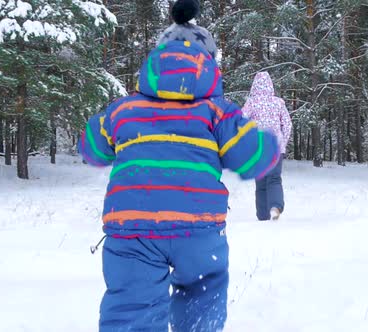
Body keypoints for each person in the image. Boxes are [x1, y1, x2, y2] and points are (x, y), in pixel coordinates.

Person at [78, 1, 280, 331]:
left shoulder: (125, 109)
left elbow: (91, 148)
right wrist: (269, 143)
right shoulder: (217, 112)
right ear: (209, 64)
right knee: (203, 293)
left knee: (132, 306)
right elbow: (252, 155)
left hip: (133, 232)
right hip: (197, 229)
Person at [242, 72, 292, 221]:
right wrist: (283, 141)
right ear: (270, 85)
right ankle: (276, 207)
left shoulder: (251, 103)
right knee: (274, 179)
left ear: (254, 86)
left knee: (261, 183)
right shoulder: (278, 103)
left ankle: (262, 216)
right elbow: (288, 124)